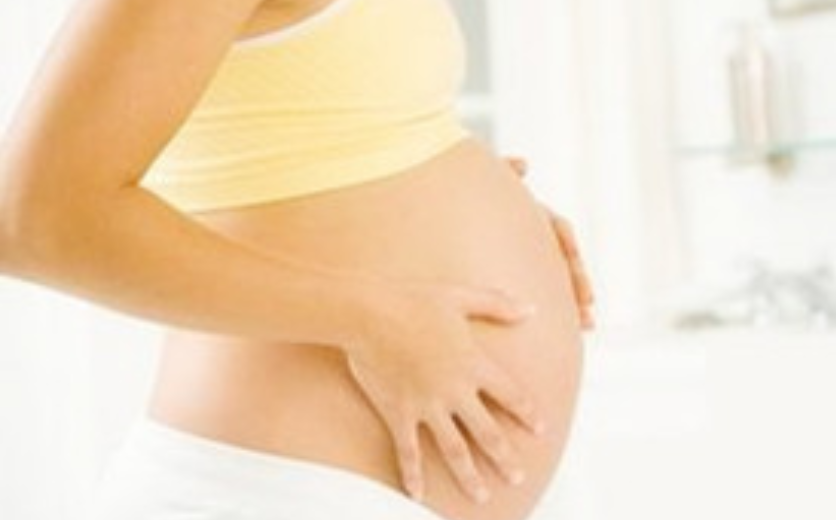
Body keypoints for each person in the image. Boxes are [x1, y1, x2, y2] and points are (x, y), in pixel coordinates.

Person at [0, 0, 595, 519]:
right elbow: (33, 220)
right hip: (267, 489)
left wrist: (475, 200)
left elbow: (312, 135)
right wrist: (373, 319)